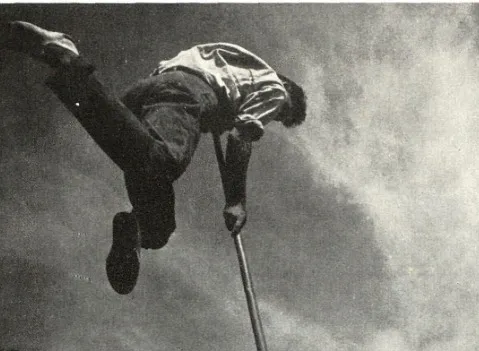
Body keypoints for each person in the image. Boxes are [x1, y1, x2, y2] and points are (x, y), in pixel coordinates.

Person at [1, 21, 307, 294]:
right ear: (288, 96)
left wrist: (218, 116)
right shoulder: (276, 89)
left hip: (148, 90)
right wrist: (236, 200)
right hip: (186, 91)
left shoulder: (236, 65)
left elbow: (221, 102)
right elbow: (241, 137)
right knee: (163, 161)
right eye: (282, 116)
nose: (275, 116)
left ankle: (135, 227)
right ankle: (67, 60)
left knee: (157, 226)